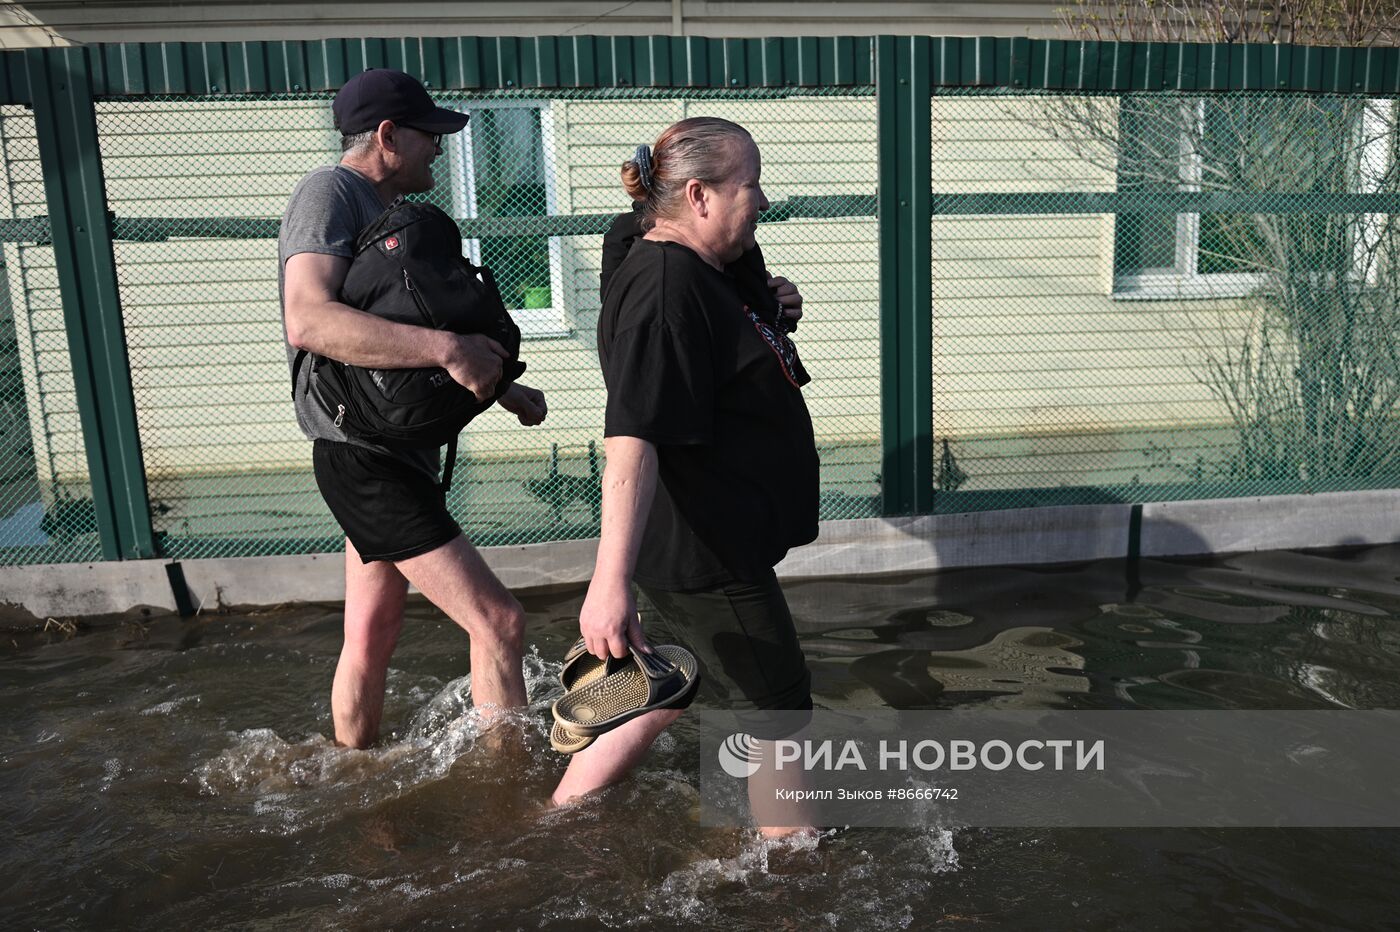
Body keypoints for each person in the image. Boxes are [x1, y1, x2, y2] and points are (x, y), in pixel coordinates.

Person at [550, 118, 820, 836]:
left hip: (703, 537)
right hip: (709, 550)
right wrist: (607, 588)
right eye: (750, 186)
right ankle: (797, 882)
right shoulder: (666, 289)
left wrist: (769, 306)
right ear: (698, 195)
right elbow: (632, 441)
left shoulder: (687, 262)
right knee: (779, 719)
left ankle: (556, 824)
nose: (762, 201)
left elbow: (722, 329)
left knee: (674, 684)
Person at [279, 68, 548, 748]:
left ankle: (350, 768)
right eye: (430, 135)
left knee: (370, 632)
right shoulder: (330, 192)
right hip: (363, 459)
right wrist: (448, 348)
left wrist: (500, 386)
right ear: (387, 135)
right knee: (500, 622)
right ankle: (508, 790)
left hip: (387, 451)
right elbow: (309, 320)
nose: (439, 148)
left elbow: (396, 339)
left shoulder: (385, 213)